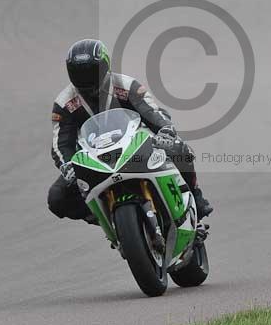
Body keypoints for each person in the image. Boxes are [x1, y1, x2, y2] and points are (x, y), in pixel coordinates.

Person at [48, 38, 213, 224]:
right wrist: (67, 164)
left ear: (104, 66)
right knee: (57, 198)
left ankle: (195, 196)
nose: (86, 79)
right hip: (94, 158)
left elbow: (151, 111)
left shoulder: (125, 85)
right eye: (79, 73)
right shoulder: (65, 103)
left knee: (180, 150)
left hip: (135, 145)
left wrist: (165, 130)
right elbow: (61, 142)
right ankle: (101, 216)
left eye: (91, 71)